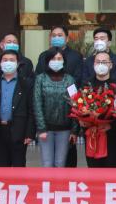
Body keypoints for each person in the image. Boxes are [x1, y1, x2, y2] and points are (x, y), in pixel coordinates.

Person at [35, 25, 84, 167]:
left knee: (61, 163)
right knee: (47, 163)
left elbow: (75, 104)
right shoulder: (41, 78)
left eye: (60, 35)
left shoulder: (70, 79)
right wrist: (41, 128)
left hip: (65, 126)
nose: (56, 61)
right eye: (54, 35)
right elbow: (37, 103)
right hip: (47, 126)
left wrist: (74, 129)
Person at [0, 50, 35, 167]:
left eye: (12, 60)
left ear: (18, 64)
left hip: (19, 130)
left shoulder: (26, 83)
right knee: (2, 166)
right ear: (0, 63)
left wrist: (30, 133)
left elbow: (31, 109)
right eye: (5, 60)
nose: (8, 63)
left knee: (19, 166)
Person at [82, 51, 116, 168]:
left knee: (112, 169)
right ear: (93, 65)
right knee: (93, 169)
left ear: (110, 65)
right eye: (98, 62)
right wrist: (83, 121)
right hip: (91, 134)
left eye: (104, 62)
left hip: (111, 135)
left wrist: (111, 125)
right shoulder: (86, 84)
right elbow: (78, 105)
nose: (101, 64)